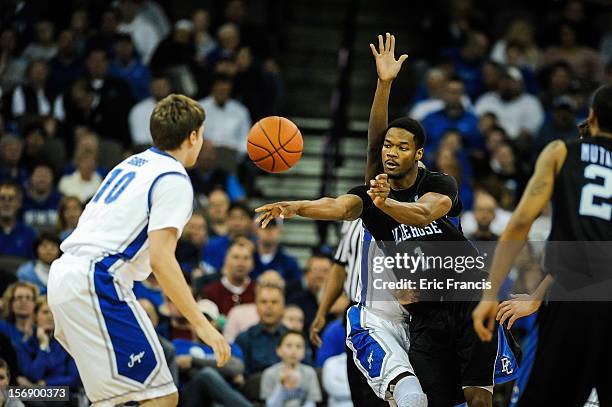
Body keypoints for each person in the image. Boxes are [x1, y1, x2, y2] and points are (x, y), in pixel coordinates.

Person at [257, 33, 517, 407]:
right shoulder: (370, 194)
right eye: (388, 147)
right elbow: (337, 205)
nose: (392, 152)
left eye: (402, 147)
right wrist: (295, 206)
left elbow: (425, 212)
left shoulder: (440, 182)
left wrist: (385, 205)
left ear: (419, 153)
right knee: (429, 401)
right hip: (423, 313)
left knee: (478, 397)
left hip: (467, 298)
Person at [46, 94, 230, 406]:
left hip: (66, 276)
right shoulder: (173, 178)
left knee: (114, 400)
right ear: (194, 136)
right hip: (97, 281)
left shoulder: (131, 163)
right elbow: (162, 259)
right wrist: (202, 324)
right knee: (162, 396)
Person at [472, 84, 612, 406]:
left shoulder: (562, 152)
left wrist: (491, 294)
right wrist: (536, 297)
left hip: (577, 294)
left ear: (591, 118)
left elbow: (522, 223)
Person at [16, 296, 80, 388]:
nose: (50, 317)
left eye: (53, 312)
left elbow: (74, 378)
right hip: (34, 399)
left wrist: (45, 383)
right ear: (35, 316)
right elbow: (33, 376)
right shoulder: (25, 346)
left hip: (65, 397)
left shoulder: (67, 343)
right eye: (45, 312)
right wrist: (43, 346)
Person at [235, 283, 287, 376]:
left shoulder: (293, 338)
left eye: (274, 302)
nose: (269, 307)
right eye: (263, 302)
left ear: (283, 307)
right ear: (256, 306)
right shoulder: (244, 338)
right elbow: (241, 376)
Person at [260, 330, 322, 407]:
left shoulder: (310, 372)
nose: (294, 350)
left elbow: (312, 402)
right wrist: (282, 386)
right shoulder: (269, 373)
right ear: (278, 350)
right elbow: (270, 405)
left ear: (304, 352)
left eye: (299, 346)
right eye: (289, 345)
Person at [201, 240, 256, 315]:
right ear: (226, 261)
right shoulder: (210, 292)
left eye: (246, 258)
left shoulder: (258, 292)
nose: (241, 263)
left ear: (252, 264)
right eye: (236, 257)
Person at [252, 217, 301, 286]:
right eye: (264, 226)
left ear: (280, 230)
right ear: (256, 230)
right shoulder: (248, 258)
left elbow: (297, 288)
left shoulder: (290, 262)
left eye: (273, 226)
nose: (269, 230)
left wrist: (281, 284)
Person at [128, 75, 172, 146]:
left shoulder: (182, 108)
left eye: (163, 87)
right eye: (157, 87)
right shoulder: (139, 110)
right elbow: (140, 143)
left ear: (170, 87)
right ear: (151, 88)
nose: (160, 89)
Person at [21, 163, 63, 233]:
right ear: (31, 177)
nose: (42, 179)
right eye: (39, 175)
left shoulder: (61, 200)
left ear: (52, 178)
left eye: (46, 176)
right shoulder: (22, 200)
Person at [0, 181, 37, 259]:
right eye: (2, 198)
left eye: (11, 199)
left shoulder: (30, 234)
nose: (6, 203)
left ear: (19, 203)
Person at [0, 282, 38, 346]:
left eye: (28, 297)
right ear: (11, 303)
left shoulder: (40, 331)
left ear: (34, 303)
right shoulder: (2, 328)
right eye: (19, 297)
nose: (24, 301)